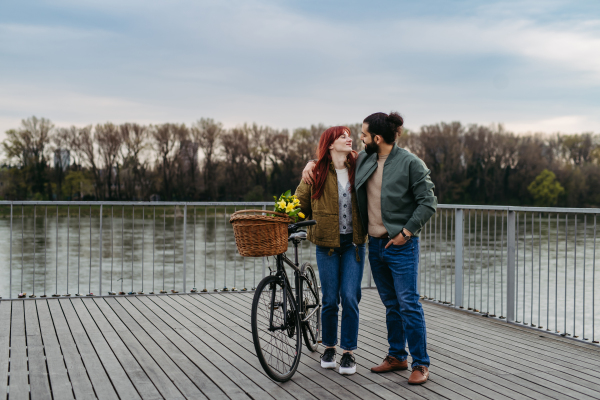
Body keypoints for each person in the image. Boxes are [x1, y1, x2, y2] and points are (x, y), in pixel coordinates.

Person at [302, 112, 437, 385]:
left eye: (363, 135)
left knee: (408, 304)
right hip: (374, 245)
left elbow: (428, 202)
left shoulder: (410, 163)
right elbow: (332, 162)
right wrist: (311, 163)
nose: (358, 139)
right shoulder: (364, 159)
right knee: (391, 304)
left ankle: (421, 363)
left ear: (376, 138)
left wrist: (406, 232)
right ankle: (397, 356)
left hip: (401, 245)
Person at [295, 126, 367, 375]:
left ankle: (348, 353)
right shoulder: (316, 172)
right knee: (329, 300)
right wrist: (286, 220)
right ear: (329, 145)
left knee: (349, 297)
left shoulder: (359, 166)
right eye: (342, 136)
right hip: (326, 246)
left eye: (349, 135)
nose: (349, 139)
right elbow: (298, 205)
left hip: (354, 245)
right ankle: (328, 347)